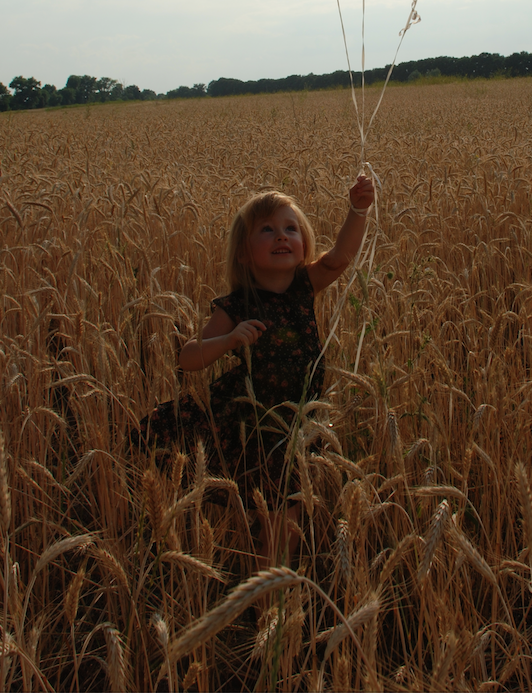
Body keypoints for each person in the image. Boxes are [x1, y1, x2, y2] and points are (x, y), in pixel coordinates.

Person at [137, 173, 375, 568]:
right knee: (272, 515)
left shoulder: (304, 285)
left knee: (286, 519)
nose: (282, 236)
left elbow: (339, 258)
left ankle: (270, 597)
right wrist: (229, 341)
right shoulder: (236, 305)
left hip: (297, 421)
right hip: (252, 424)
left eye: (291, 229)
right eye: (267, 230)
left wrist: (358, 209)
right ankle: (265, 596)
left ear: (303, 245)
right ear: (244, 253)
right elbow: (189, 357)